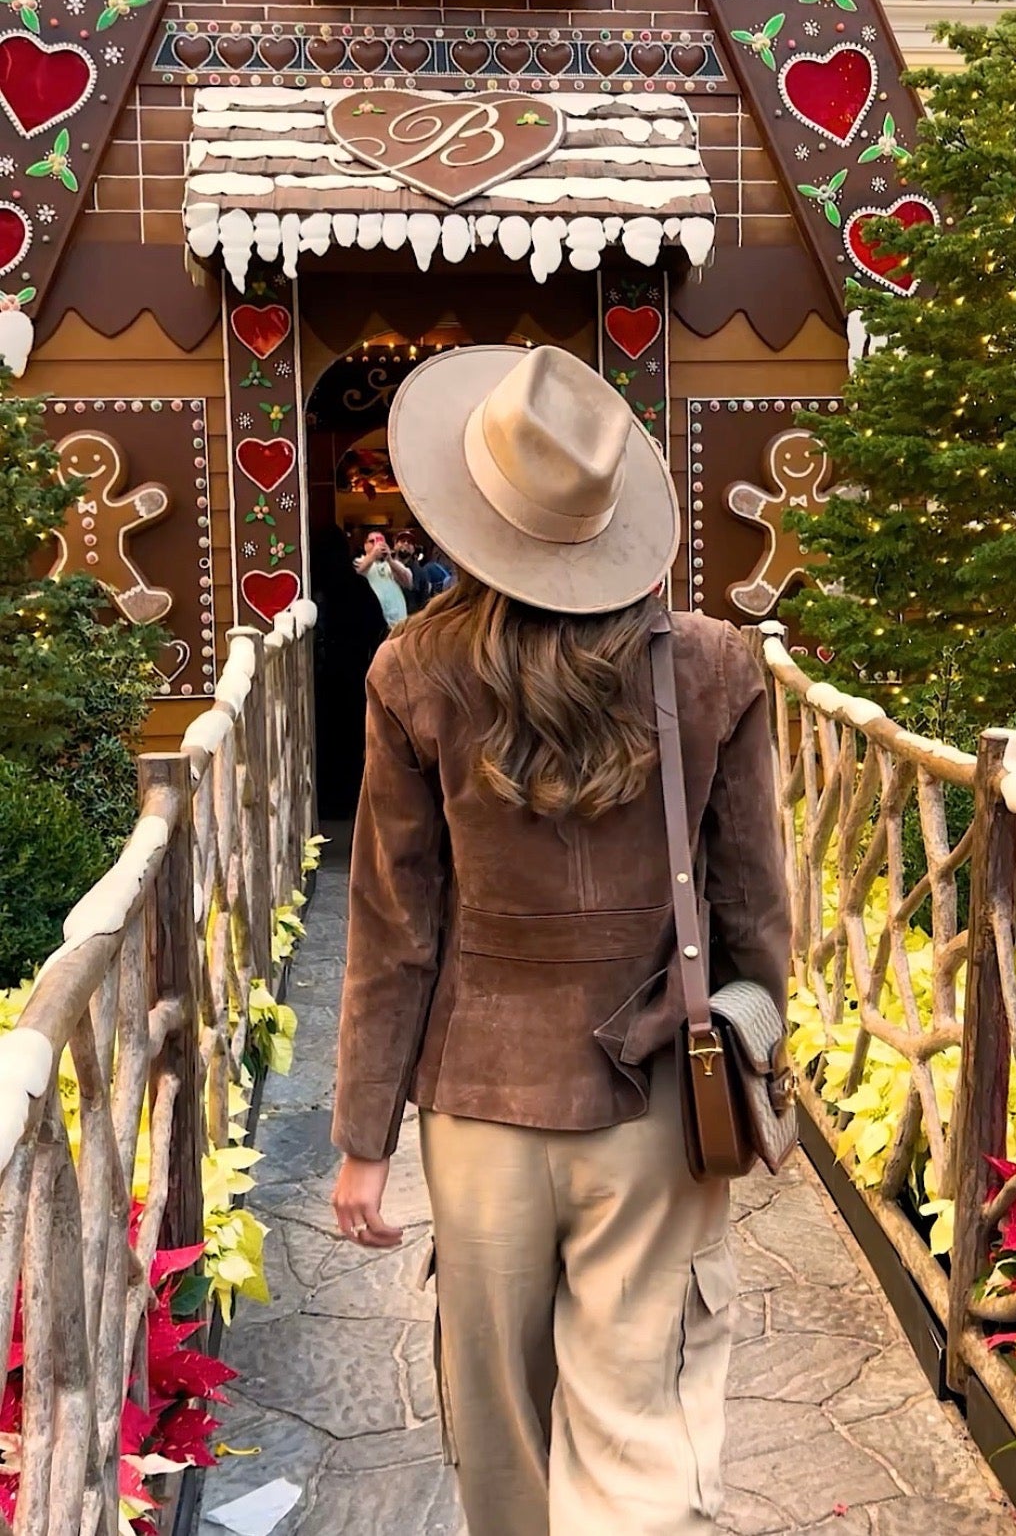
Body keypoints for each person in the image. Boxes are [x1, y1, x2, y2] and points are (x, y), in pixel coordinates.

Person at [331, 345, 790, 1536]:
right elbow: (754, 908)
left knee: (501, 1436)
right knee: (639, 1428)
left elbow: (393, 927)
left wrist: (364, 1139)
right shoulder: (715, 663)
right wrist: (758, 1045)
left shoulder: (411, 672)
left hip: (478, 1099)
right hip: (657, 1091)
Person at [310, 524, 387, 817]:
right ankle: (348, 799)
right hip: (353, 672)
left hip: (320, 676)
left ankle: (328, 799)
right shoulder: (356, 586)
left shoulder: (311, 588)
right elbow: (377, 628)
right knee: (351, 736)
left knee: (324, 736)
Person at [354, 527, 410, 629]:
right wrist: (372, 556)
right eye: (372, 541)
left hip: (398, 624)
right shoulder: (359, 561)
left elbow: (408, 582)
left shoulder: (394, 564)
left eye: (381, 541)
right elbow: (355, 575)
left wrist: (390, 560)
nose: (377, 545)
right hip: (374, 625)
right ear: (365, 546)